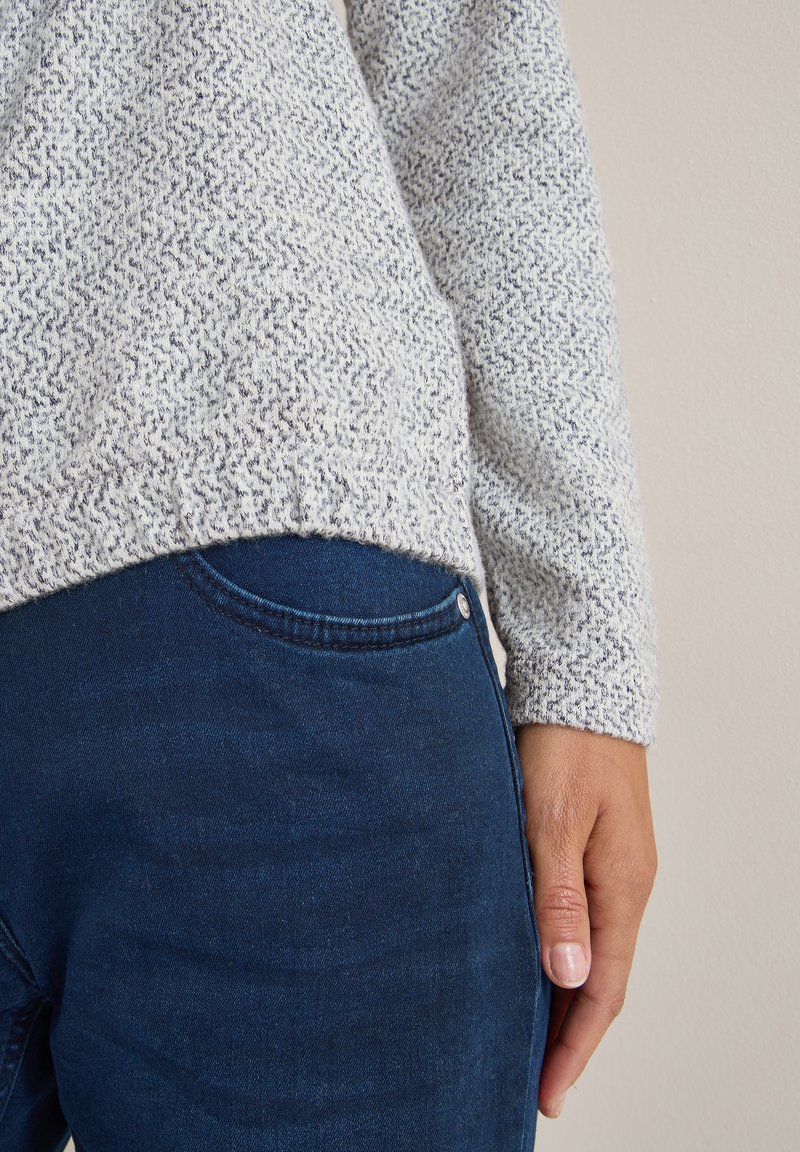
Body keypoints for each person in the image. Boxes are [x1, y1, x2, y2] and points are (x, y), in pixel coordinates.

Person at [0, 1, 659, 1148]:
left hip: (252, 507)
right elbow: (468, 74)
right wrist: (585, 653)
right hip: (263, 530)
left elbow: (466, 68)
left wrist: (588, 667)